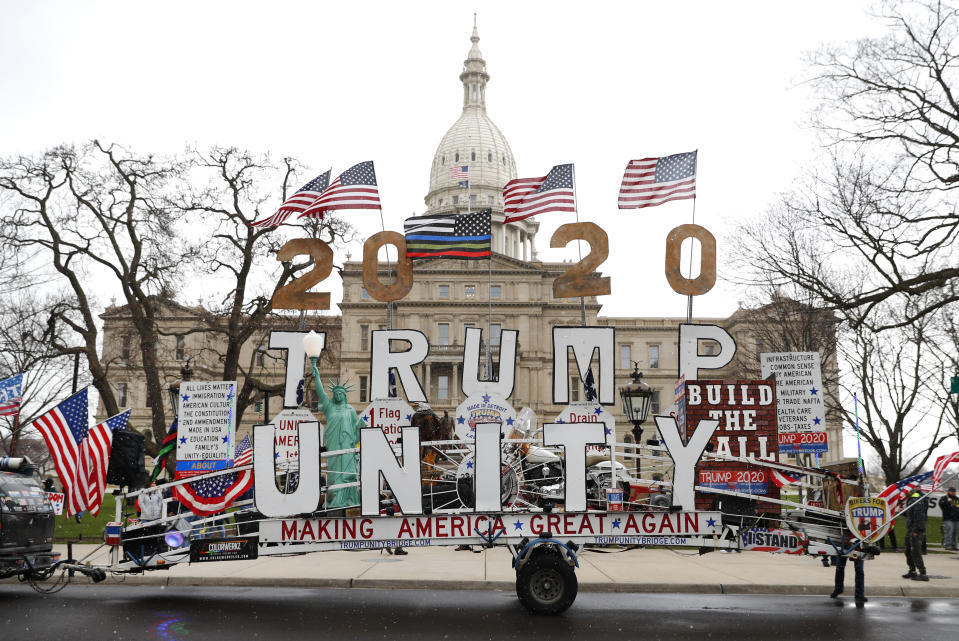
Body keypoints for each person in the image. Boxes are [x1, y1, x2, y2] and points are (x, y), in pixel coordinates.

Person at [310, 363, 363, 510]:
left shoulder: (350, 410)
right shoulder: (329, 407)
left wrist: (361, 427)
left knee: (346, 473)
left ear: (345, 395)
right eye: (336, 393)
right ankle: (334, 499)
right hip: (333, 444)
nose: (338, 395)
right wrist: (317, 376)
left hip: (347, 444)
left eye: (341, 393)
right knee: (334, 474)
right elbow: (320, 393)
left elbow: (355, 431)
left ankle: (349, 499)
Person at [903, 489, 930, 581]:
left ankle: (923, 573)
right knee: (907, 550)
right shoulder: (911, 499)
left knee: (915, 551)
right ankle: (912, 570)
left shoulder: (917, 500)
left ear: (910, 491)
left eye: (906, 492)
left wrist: (915, 530)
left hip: (916, 530)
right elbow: (910, 515)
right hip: (910, 529)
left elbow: (919, 517)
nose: (904, 493)